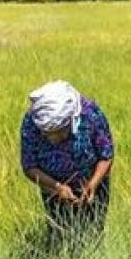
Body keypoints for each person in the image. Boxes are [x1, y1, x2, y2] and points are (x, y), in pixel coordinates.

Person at [20, 80, 114, 246]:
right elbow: (29, 166)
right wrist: (57, 188)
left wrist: (92, 184)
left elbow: (106, 155)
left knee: (93, 234)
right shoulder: (31, 123)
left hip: (94, 185)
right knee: (61, 235)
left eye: (60, 132)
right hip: (53, 189)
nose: (55, 139)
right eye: (48, 134)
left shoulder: (91, 114)